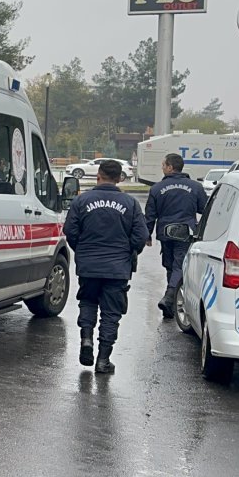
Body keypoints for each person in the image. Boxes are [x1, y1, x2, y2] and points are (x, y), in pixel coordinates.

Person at [62, 159, 148, 375]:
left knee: (88, 301)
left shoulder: (81, 201)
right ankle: (103, 360)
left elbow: (70, 231)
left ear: (98, 175)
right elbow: (141, 236)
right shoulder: (130, 203)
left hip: (89, 265)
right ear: (119, 178)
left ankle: (86, 339)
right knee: (111, 313)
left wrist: (82, 250)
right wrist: (128, 252)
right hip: (117, 268)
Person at [144, 153, 208, 320]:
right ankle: (171, 298)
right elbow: (204, 210)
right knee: (180, 266)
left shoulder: (157, 189)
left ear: (170, 167)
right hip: (185, 233)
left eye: (164, 165)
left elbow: (150, 215)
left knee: (171, 266)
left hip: (165, 233)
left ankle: (169, 300)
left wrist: (147, 234)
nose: (162, 168)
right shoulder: (195, 187)